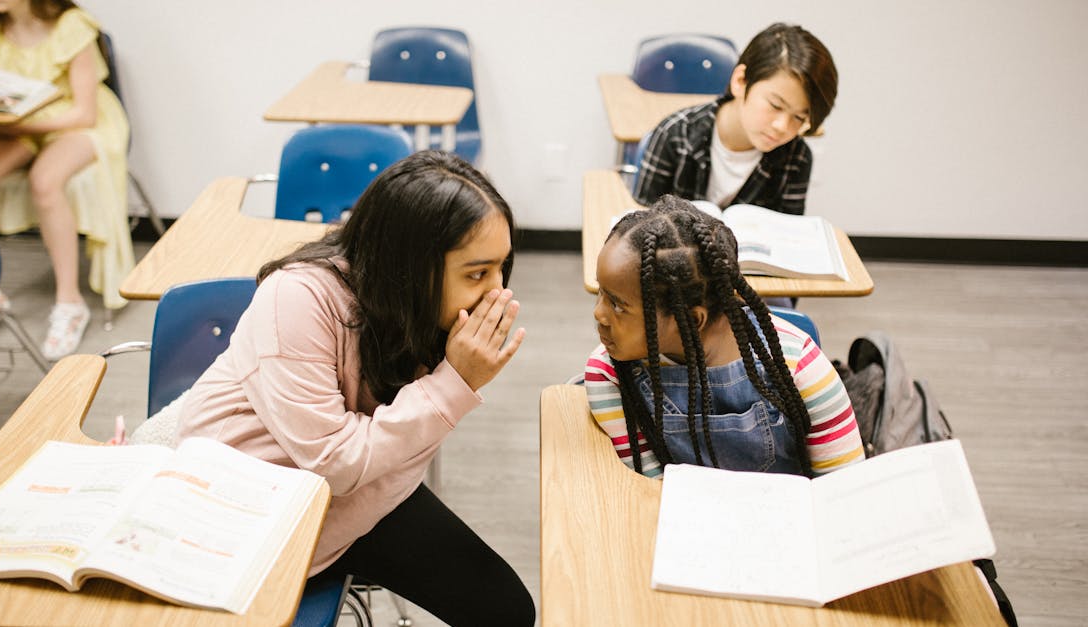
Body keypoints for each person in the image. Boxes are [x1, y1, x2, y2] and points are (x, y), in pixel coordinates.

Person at [177, 151, 535, 626]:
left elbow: (388, 454)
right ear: (408, 264)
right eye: (476, 273)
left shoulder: (423, 309)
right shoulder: (297, 297)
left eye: (500, 268)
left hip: (363, 491)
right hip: (250, 503)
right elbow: (335, 462)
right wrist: (456, 382)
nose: (497, 293)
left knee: (507, 611)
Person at [0, 0, 133, 360]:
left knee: (45, 181)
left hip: (78, 124)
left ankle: (69, 302)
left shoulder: (73, 24)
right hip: (20, 122)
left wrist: (19, 122)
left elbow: (85, 112)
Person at [585, 196, 863, 478]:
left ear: (692, 320)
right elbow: (650, 487)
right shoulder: (608, 375)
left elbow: (842, 489)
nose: (599, 314)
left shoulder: (801, 368)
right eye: (601, 292)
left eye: (618, 304)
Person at [632, 23, 838, 216]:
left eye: (799, 117)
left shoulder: (797, 158)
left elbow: (786, 237)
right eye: (775, 105)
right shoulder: (674, 135)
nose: (782, 127)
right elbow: (637, 231)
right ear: (740, 81)